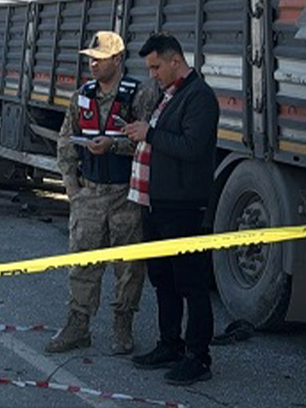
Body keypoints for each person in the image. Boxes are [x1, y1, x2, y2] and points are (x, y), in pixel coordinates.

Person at [46, 31, 157, 356]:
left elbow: (148, 140)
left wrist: (115, 145)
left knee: (129, 267)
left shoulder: (140, 94)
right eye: (90, 59)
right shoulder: (83, 96)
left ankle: (123, 327)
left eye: (100, 58)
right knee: (83, 263)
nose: (92, 64)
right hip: (90, 193)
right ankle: (77, 326)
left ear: (118, 60)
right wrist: (71, 188)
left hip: (126, 194)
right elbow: (66, 141)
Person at [124, 33, 220, 386]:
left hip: (182, 205)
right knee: (162, 278)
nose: (153, 75)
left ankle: (198, 357)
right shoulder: (170, 95)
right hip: (156, 203)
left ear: (174, 61)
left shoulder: (200, 97)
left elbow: (192, 147)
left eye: (156, 67)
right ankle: (170, 344)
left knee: (190, 282)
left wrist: (148, 133)